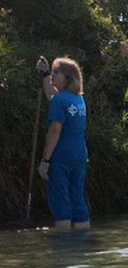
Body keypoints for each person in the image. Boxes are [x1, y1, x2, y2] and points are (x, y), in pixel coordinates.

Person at [35, 56, 90, 232]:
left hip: (61, 157)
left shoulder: (60, 101)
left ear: (67, 77)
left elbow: (54, 131)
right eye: (51, 71)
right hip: (80, 156)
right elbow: (52, 94)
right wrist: (44, 74)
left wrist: (45, 161)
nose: (53, 74)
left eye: (56, 72)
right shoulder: (78, 99)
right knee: (78, 199)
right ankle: (82, 240)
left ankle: (63, 248)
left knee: (60, 201)